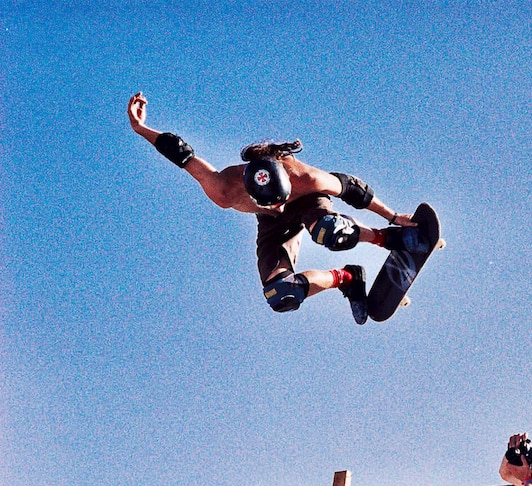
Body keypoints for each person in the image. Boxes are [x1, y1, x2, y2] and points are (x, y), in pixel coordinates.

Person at [126, 92, 429, 324]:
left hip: (309, 204)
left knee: (329, 231)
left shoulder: (306, 178)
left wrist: (392, 217)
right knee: (280, 294)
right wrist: (141, 128)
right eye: (273, 201)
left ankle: (384, 238)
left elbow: (353, 189)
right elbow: (181, 154)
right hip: (271, 225)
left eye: (282, 198)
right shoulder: (223, 189)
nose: (281, 205)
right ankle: (348, 279)